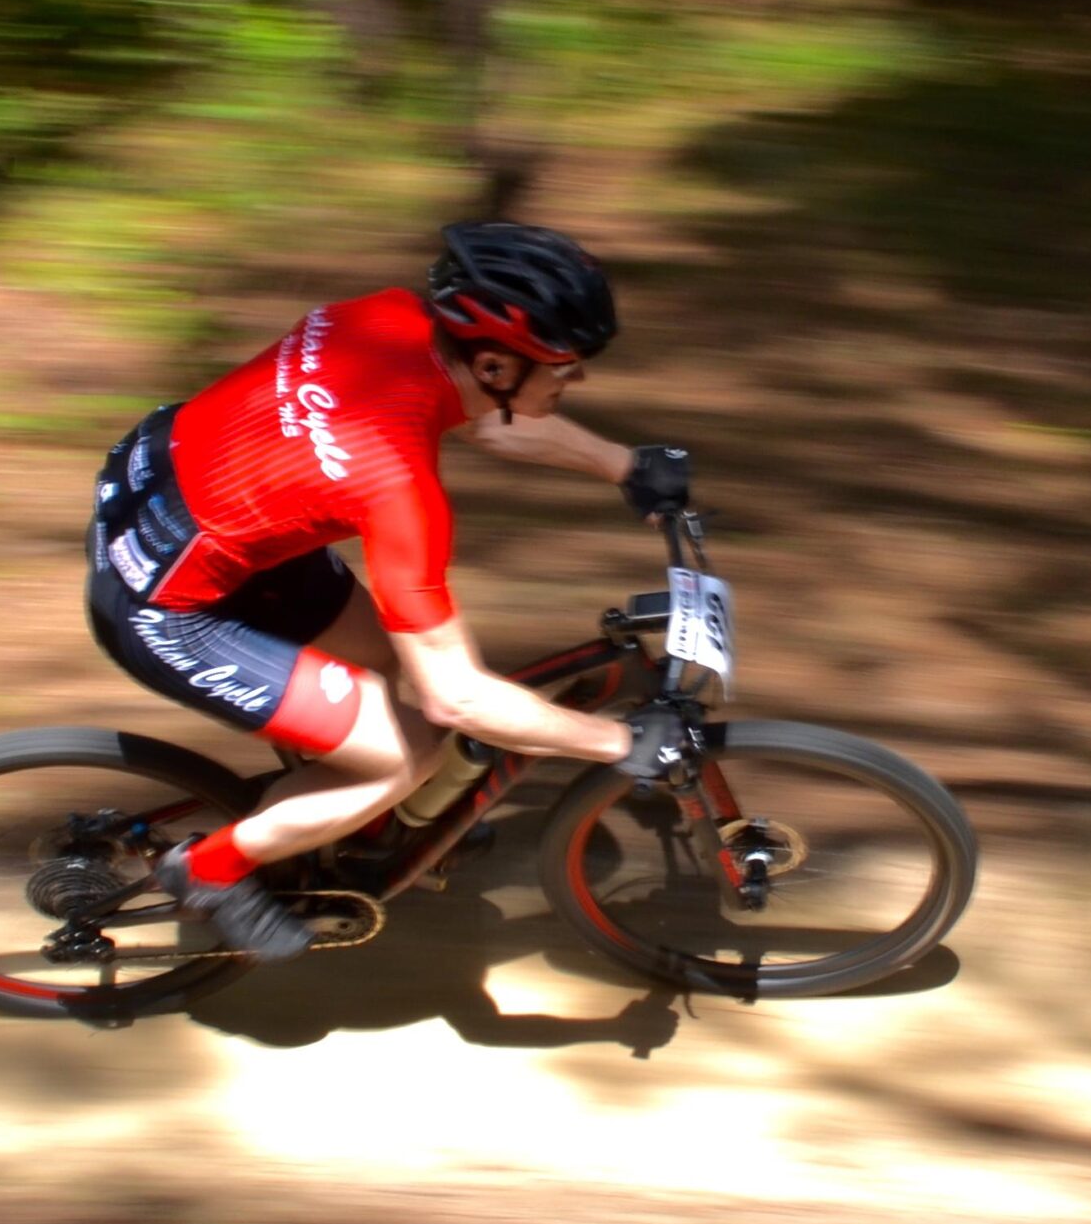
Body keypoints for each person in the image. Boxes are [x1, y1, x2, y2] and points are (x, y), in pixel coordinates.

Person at [85, 221, 695, 962]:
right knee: (408, 748)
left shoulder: (384, 318)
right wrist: (619, 742)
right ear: (497, 364)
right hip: (169, 605)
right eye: (563, 366)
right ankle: (211, 869)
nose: (578, 381)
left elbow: (485, 421)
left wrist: (625, 466)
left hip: (183, 491)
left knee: (387, 672)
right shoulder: (399, 491)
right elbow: (458, 699)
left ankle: (335, 819)